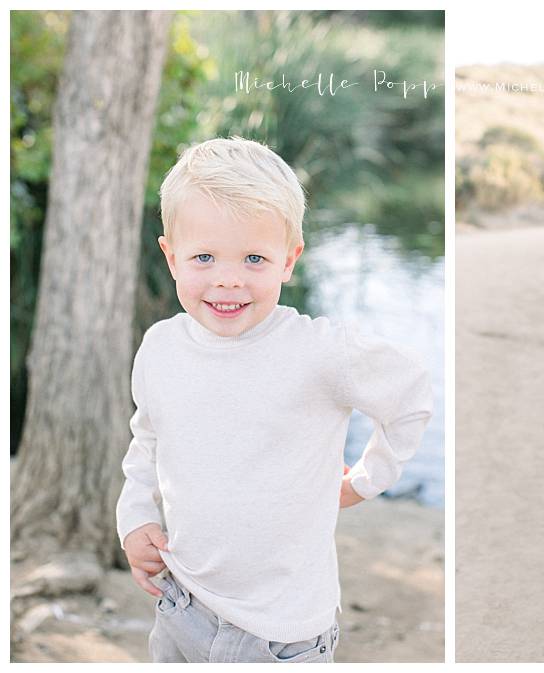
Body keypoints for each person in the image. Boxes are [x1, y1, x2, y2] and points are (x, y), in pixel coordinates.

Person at [115, 137, 433, 663]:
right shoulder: (160, 348)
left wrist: (367, 479)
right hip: (182, 607)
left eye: (255, 258)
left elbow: (411, 390)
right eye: (204, 257)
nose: (228, 279)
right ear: (171, 257)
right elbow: (147, 439)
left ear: (290, 260)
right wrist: (135, 518)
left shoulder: (320, 351)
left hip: (280, 633)